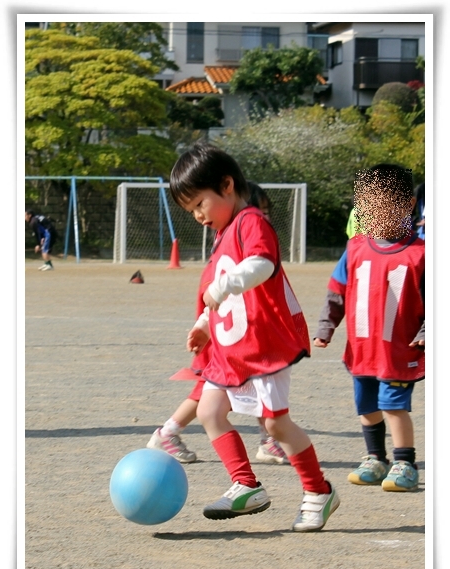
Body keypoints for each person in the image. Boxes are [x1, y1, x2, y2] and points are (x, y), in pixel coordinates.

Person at [168, 142, 340, 531]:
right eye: (190, 210)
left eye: (199, 204)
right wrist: (204, 326)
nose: (197, 216)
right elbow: (228, 305)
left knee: (276, 426)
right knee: (210, 411)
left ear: (226, 185)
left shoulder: (250, 222)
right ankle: (246, 485)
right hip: (231, 350)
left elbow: (262, 265)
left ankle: (319, 491)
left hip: (264, 348)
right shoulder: (222, 235)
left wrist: (225, 285)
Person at [147, 181, 289, 465]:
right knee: (211, 387)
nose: (263, 218)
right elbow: (225, 288)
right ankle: (168, 432)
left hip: (234, 329)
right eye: (257, 210)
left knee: (250, 379)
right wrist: (205, 323)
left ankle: (268, 440)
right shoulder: (235, 239)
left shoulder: (240, 238)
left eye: (266, 211)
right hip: (224, 330)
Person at [313, 163, 425, 492]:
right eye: (365, 206)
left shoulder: (422, 254)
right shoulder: (355, 248)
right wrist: (325, 327)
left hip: (398, 350)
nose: (370, 214)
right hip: (362, 350)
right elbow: (337, 294)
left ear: (406, 206)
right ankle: (375, 457)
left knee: (394, 406)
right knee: (367, 406)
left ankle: (405, 462)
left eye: (381, 205)